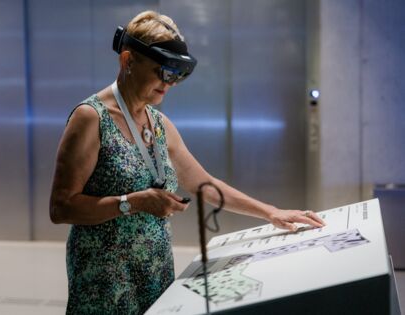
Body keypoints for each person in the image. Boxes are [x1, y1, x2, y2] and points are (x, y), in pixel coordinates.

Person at [49, 10, 325, 315]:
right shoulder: (91, 118)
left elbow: (204, 184)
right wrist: (132, 202)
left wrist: (271, 212)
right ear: (128, 61)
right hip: (105, 283)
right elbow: (61, 207)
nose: (170, 83)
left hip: (154, 272)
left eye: (176, 75)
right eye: (162, 72)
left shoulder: (158, 123)